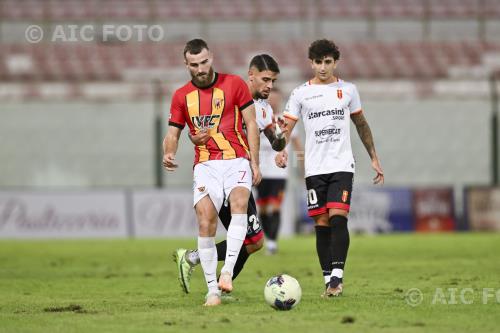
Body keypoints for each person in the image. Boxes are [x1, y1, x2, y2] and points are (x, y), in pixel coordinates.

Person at [275, 39, 384, 297]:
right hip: (314, 167)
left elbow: (361, 124)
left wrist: (374, 156)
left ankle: (337, 276)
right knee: (322, 224)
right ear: (310, 63)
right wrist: (282, 150)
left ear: (335, 62)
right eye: (317, 62)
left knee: (338, 217)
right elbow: (287, 127)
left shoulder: (348, 90)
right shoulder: (300, 93)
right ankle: (328, 280)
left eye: (327, 62)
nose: (322, 67)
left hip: (341, 164)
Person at [173, 54, 288, 296]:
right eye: (266, 80)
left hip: (242, 175)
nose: (270, 86)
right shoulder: (229, 95)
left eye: (273, 81)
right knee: (250, 239)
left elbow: (275, 141)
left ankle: (198, 263)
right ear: (251, 75)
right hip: (220, 171)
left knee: (254, 241)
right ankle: (218, 283)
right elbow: (200, 126)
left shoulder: (264, 109)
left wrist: (281, 141)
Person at [163, 39, 262, 306]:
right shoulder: (181, 96)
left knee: (240, 203)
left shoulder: (235, 84)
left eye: (204, 62)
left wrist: (255, 162)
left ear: (212, 58)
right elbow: (173, 132)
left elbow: (251, 123)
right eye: (194, 64)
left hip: (236, 159)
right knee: (206, 221)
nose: (200, 68)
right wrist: (169, 152)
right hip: (206, 165)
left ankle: (227, 272)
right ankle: (212, 290)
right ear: (187, 65)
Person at [256, 88, 303, 255]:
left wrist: (302, 168)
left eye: (276, 98)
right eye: (271, 98)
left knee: (275, 207)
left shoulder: (285, 121)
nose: (273, 101)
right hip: (261, 172)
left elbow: (297, 145)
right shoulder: (261, 118)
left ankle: (272, 243)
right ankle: (268, 239)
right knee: (262, 209)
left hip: (279, 173)